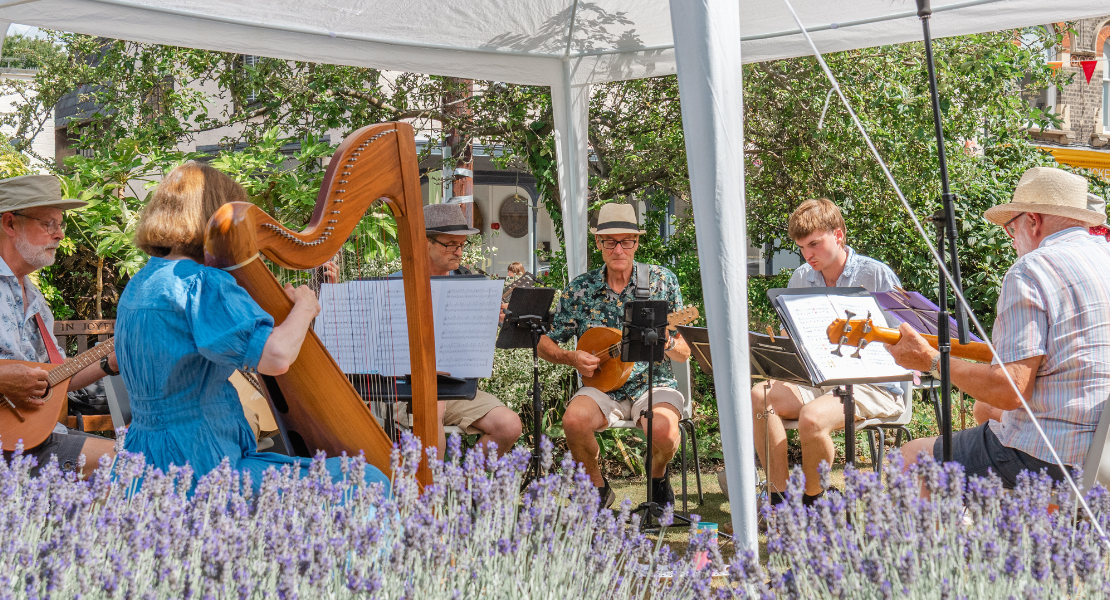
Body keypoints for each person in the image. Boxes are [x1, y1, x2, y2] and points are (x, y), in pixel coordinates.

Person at [115, 161, 389, 492]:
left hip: (143, 460)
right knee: (367, 480)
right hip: (202, 464)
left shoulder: (142, 282)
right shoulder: (200, 283)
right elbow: (276, 357)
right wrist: (305, 307)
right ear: (213, 219)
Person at [890, 167, 1110, 487]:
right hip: (1102, 446)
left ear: (1033, 221)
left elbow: (1010, 391)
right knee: (985, 410)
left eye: (1011, 227)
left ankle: (959, 525)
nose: (1012, 240)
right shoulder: (1103, 255)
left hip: (1055, 454)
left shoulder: (1031, 269)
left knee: (909, 458)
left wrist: (932, 361)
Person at [538, 203, 691, 509]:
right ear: (598, 243)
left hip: (653, 383)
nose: (619, 249)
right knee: (574, 420)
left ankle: (657, 477)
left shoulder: (662, 281)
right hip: (601, 386)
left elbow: (685, 352)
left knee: (662, 431)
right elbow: (544, 342)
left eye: (626, 241)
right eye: (610, 242)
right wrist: (571, 357)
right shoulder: (581, 289)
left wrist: (666, 342)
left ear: (636, 242)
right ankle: (597, 489)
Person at [751, 198, 903, 506]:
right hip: (819, 379)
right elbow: (791, 336)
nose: (808, 255)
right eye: (801, 248)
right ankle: (779, 501)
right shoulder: (800, 277)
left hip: (873, 383)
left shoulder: (876, 275)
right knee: (759, 396)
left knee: (812, 417)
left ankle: (815, 501)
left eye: (814, 244)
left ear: (839, 235)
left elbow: (904, 338)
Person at [0, 175, 117, 478]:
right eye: (49, 224)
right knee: (128, 465)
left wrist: (110, 362)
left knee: (136, 457)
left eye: (60, 224)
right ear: (10, 224)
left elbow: (56, 377)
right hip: (13, 448)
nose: (60, 234)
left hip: (33, 438)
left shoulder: (35, 300)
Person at [394, 203, 522, 458]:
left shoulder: (468, 284)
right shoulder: (398, 284)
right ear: (425, 243)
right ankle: (433, 483)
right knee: (433, 410)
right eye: (451, 244)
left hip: (454, 388)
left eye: (462, 244)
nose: (459, 252)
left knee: (509, 426)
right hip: (407, 389)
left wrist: (490, 321)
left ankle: (462, 480)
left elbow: (471, 348)